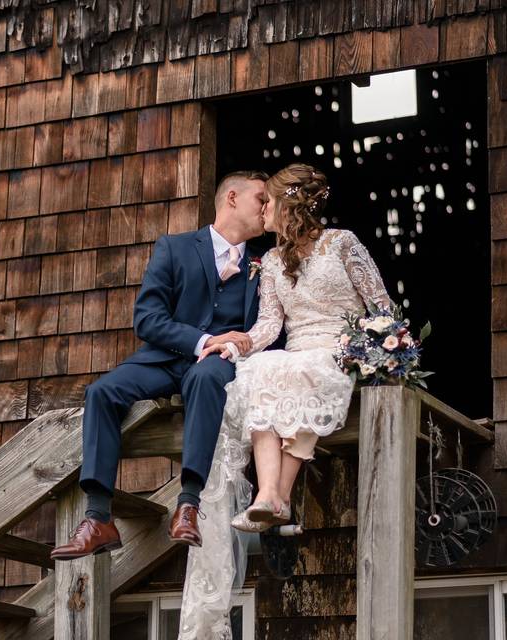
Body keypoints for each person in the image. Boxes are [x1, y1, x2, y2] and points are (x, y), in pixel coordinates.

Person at [177, 163, 393, 638]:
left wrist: (374, 350)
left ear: (287, 205)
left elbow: (381, 307)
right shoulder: (272, 261)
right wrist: (234, 342)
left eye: (268, 201)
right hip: (296, 351)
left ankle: (276, 494)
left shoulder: (343, 243)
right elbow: (269, 328)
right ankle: (270, 495)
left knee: (302, 373)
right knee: (259, 370)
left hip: (340, 348)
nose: (262, 209)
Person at [50, 170, 272, 561]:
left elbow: (270, 330)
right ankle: (98, 516)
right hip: (165, 360)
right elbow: (147, 319)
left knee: (205, 378)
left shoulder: (265, 265)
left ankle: (188, 504)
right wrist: (203, 340)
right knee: (101, 391)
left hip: (219, 367)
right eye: (261, 198)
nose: (267, 207)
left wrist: (228, 347)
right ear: (232, 198)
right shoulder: (175, 247)